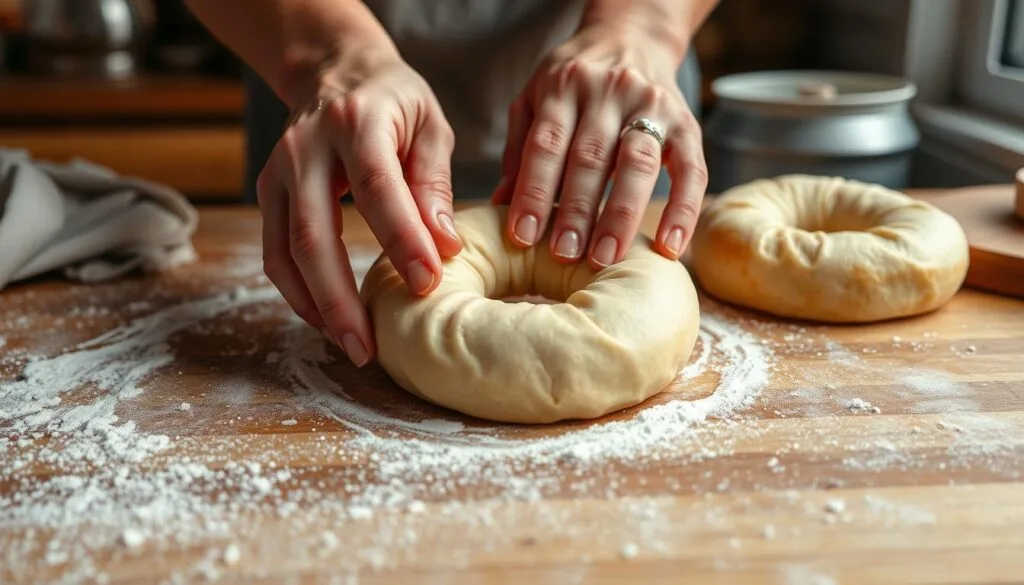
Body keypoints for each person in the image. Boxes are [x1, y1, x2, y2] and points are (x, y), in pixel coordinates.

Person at [184, 0, 716, 367]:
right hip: (323, 97)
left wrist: (645, 29)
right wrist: (329, 55)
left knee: (621, 243)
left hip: (613, 109)